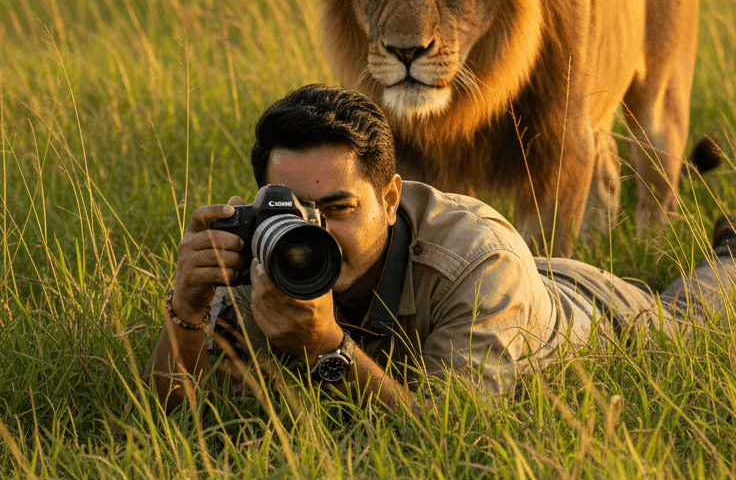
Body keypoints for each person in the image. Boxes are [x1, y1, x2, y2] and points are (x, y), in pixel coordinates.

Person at [145, 84, 736, 412]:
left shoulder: (480, 258)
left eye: (338, 209)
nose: (313, 233)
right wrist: (187, 310)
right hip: (504, 286)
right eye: (296, 209)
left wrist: (326, 347)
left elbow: (448, 435)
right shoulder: (266, 247)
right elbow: (170, 415)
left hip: (586, 315)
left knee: (684, 316)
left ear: (389, 194)